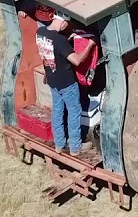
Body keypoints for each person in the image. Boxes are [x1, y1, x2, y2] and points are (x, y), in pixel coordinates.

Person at [37, 12, 95, 158]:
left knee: (57, 110)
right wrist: (89, 45)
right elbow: (76, 60)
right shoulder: (59, 41)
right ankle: (75, 147)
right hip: (67, 82)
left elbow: (50, 51)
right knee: (74, 111)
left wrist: (67, 40)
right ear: (63, 22)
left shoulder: (40, 32)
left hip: (52, 80)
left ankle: (59, 144)